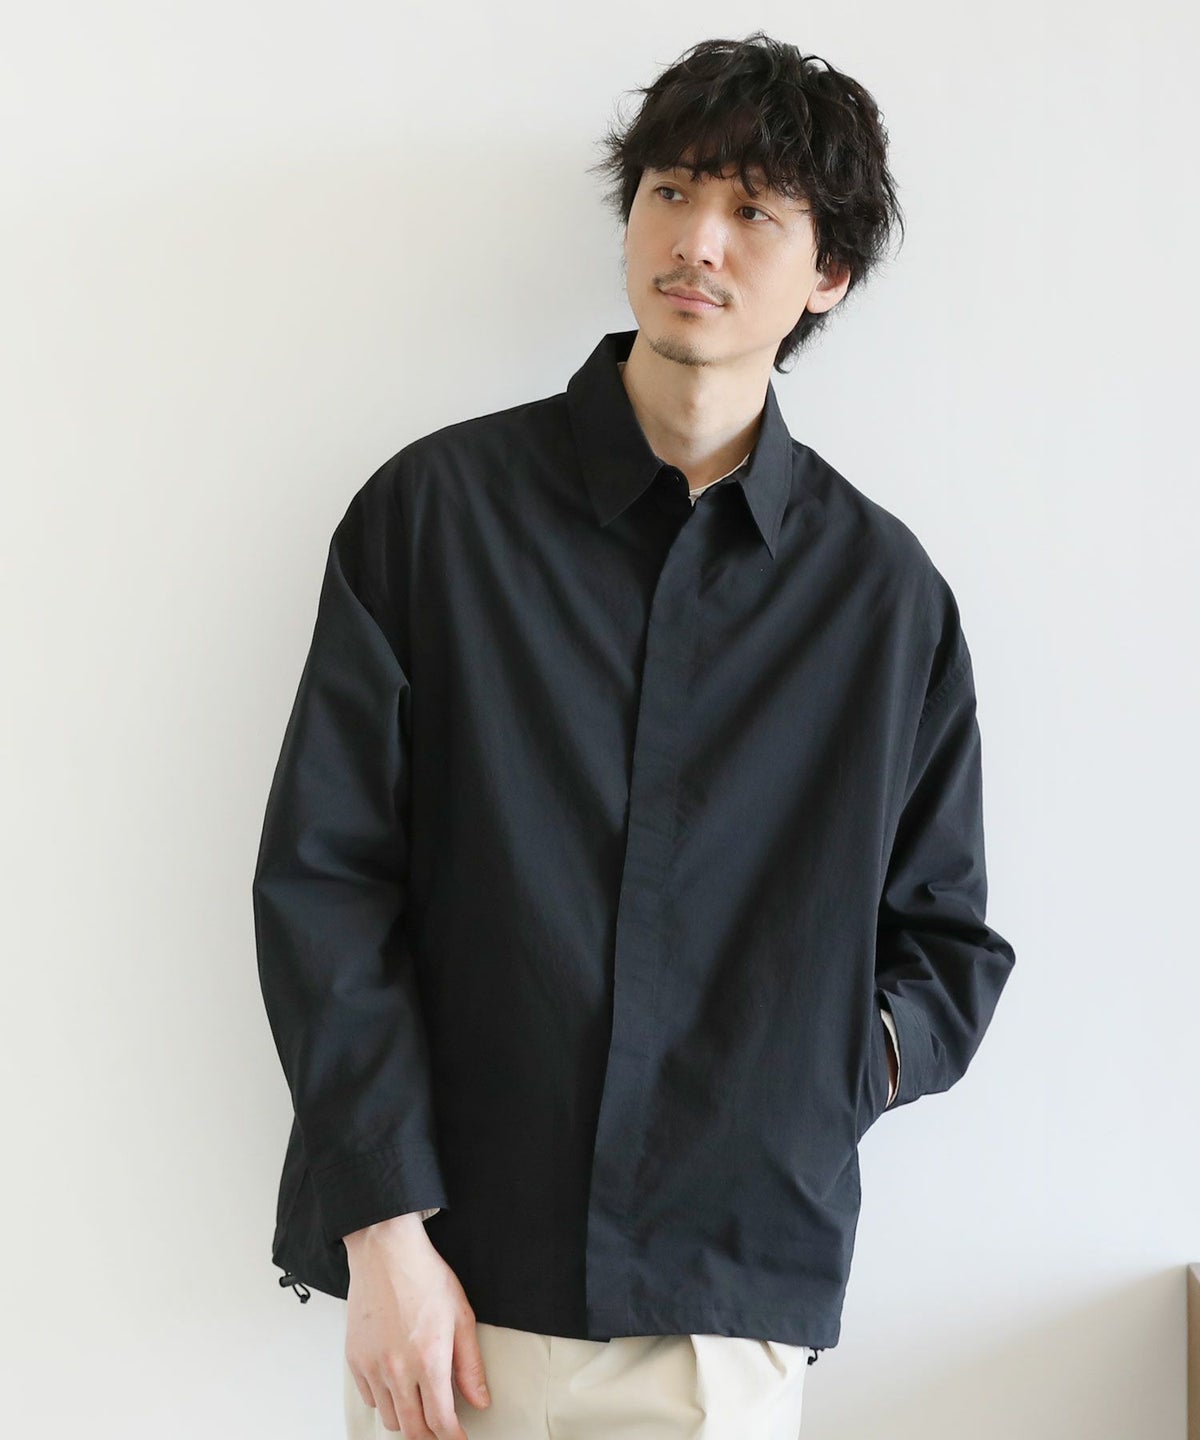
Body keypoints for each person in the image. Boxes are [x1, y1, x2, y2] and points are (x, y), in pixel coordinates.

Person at [252, 30, 1016, 1440]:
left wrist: (820, 1075)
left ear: (828, 274)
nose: (697, 241)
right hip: (451, 1293)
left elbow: (948, 946)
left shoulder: (883, 598)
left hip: (727, 1306)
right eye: (672, 192)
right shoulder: (435, 518)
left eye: (755, 212)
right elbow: (324, 881)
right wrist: (383, 1235)